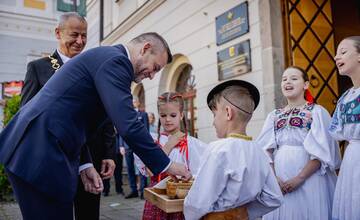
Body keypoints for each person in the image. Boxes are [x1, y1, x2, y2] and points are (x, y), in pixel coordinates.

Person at [0, 32, 191, 219]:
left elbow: (75, 118)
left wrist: (85, 164)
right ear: (145, 48)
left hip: (41, 149)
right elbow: (128, 125)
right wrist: (168, 165)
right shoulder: (117, 61)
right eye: (155, 67)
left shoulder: (108, 58)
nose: (152, 76)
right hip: (39, 151)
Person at [19, 12, 116, 220]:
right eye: (74, 35)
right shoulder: (38, 68)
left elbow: (106, 114)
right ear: (58, 33)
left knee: (89, 214)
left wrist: (109, 152)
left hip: (92, 158)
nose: (80, 41)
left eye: (84, 35)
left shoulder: (95, 68)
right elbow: (27, 115)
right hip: (55, 159)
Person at [184, 80, 283, 220]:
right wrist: (244, 213)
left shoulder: (218, 149)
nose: (213, 122)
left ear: (228, 113)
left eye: (214, 114)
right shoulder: (259, 151)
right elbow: (274, 197)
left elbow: (198, 202)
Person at [257, 66, 341, 220]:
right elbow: (264, 150)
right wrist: (274, 179)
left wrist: (300, 178)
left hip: (310, 178)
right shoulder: (273, 116)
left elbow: (322, 152)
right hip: (279, 179)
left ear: (306, 85)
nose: (287, 82)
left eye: (294, 78)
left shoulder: (316, 112)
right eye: (284, 79)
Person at [137, 92, 207, 220]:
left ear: (181, 115)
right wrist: (168, 145)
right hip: (157, 202)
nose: (168, 119)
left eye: (173, 115)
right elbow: (150, 171)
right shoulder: (153, 142)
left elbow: (201, 175)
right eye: (163, 115)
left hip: (180, 204)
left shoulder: (192, 144)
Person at [330, 36, 360, 220]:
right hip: (352, 158)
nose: (335, 57)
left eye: (343, 52)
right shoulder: (346, 97)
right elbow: (336, 132)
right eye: (336, 53)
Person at [121, 97, 149, 199]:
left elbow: (146, 130)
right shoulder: (125, 114)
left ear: (138, 103)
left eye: (134, 101)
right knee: (130, 169)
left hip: (139, 145)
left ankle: (143, 191)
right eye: (131, 101)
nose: (133, 103)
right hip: (128, 146)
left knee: (141, 168)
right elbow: (121, 131)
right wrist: (121, 145)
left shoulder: (143, 114)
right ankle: (134, 190)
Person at [103, 131, 124, 197]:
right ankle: (106, 190)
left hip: (117, 151)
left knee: (118, 172)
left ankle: (119, 189)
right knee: (106, 171)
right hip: (107, 151)